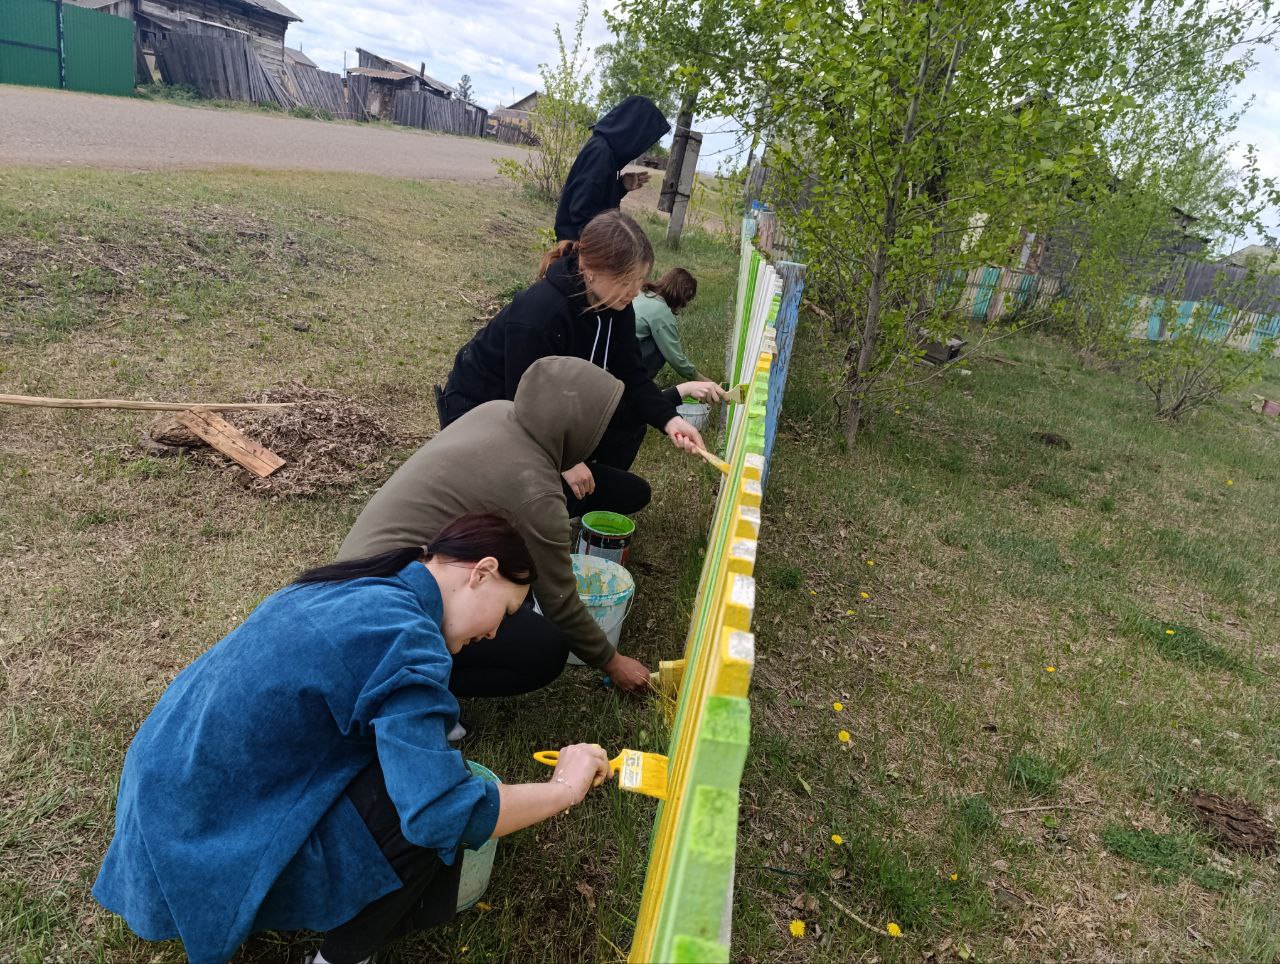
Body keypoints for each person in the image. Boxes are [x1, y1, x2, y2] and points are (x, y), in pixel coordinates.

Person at [92, 513, 614, 964]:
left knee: (423, 768)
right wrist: (564, 788)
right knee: (429, 813)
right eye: (507, 611)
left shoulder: (364, 584)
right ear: (482, 572)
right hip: (200, 848)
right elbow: (441, 812)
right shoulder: (409, 641)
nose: (498, 634)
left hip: (158, 806)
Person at [350, 356, 656, 695]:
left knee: (511, 592)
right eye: (598, 428)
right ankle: (413, 686)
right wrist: (613, 662)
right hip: (388, 611)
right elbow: (559, 601)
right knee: (542, 649)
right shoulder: (535, 492)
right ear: (578, 428)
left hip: (356, 571)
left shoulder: (497, 411)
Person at [438, 210, 722, 499]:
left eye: (640, 280)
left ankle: (565, 498)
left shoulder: (616, 306)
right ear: (589, 269)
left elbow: (632, 375)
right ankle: (522, 505)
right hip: (485, 418)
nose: (635, 292)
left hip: (550, 414)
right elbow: (520, 403)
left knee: (632, 488)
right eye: (627, 281)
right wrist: (564, 461)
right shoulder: (540, 314)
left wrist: (670, 420)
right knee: (529, 493)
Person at [554, 95, 671, 242]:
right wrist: (606, 248)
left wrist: (620, 186)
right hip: (576, 248)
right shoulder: (601, 153)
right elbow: (581, 211)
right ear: (632, 131)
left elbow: (595, 197)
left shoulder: (604, 150)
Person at [633, 267, 711, 383]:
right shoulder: (661, 312)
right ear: (680, 297)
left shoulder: (643, 293)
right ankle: (639, 383)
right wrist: (702, 380)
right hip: (624, 362)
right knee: (661, 346)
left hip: (612, 354)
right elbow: (675, 358)